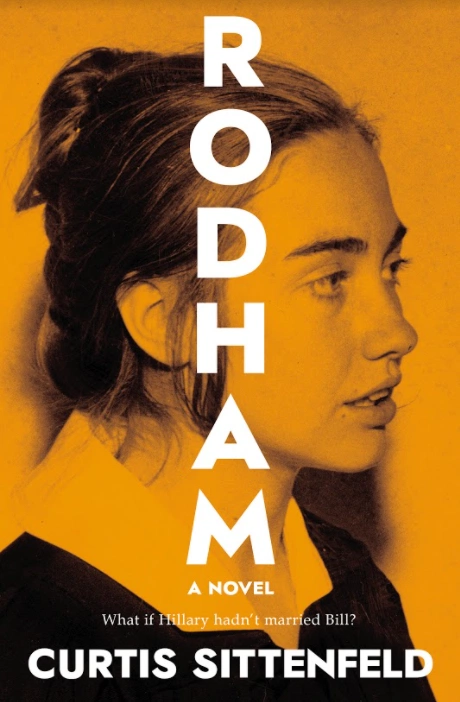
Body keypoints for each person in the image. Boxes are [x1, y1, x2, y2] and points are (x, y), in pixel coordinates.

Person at [0, 47, 436, 701]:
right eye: (329, 280)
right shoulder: (39, 646)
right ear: (166, 322)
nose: (398, 332)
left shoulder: (351, 593)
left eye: (390, 269)